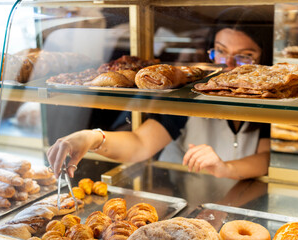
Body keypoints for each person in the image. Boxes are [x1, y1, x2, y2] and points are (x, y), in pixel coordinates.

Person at [47, 6, 273, 181]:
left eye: (244, 56)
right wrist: (93, 137)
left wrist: (225, 168)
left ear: (265, 59)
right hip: (187, 197)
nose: (229, 65)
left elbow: (267, 158)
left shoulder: (274, 98)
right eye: (221, 52)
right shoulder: (190, 94)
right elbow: (140, 143)